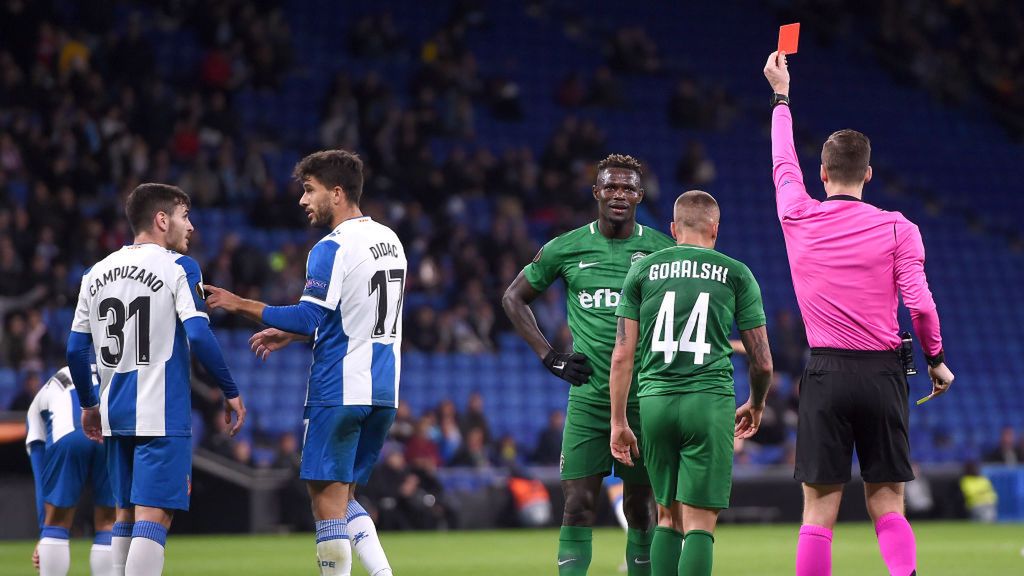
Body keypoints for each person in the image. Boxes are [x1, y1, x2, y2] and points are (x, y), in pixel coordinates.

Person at [764, 51, 955, 576]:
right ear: (868, 173)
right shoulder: (900, 228)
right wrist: (935, 358)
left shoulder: (797, 213)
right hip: (883, 373)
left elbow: (783, 164)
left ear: (822, 173)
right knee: (887, 502)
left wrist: (782, 96)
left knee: (819, 508)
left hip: (825, 372)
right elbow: (920, 304)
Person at [205, 150, 404, 576]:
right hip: (383, 389)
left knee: (325, 501)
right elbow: (353, 314)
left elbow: (309, 314)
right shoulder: (390, 240)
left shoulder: (331, 247)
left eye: (309, 190)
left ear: (336, 192)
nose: (302, 200)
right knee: (345, 497)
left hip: (340, 388)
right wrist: (294, 334)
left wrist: (239, 303)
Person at [502, 154, 674, 575]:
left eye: (627, 188)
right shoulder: (567, 247)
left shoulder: (662, 250)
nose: (619, 194)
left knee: (640, 506)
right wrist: (549, 356)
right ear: (596, 192)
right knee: (577, 506)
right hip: (588, 400)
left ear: (640, 195)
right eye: (610, 187)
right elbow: (513, 298)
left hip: (643, 399)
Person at [66, 183, 246, 576]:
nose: (192, 226)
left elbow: (75, 351)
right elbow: (198, 335)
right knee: (155, 517)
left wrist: (88, 405)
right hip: (161, 412)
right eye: (185, 216)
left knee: (125, 515)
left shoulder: (94, 273)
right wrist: (229, 390)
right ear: (162, 220)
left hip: (115, 413)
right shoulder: (179, 266)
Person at [610, 190, 773, 576]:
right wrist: (757, 402)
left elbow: (621, 355)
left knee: (666, 516)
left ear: (672, 228)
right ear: (715, 229)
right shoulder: (735, 273)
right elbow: (763, 362)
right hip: (708, 401)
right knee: (700, 523)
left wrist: (619, 421)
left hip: (655, 403)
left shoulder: (642, 270)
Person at [26, 366, 116, 576]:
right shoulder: (106, 372)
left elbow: (42, 482)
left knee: (56, 522)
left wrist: (44, 531)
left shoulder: (38, 402)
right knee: (109, 522)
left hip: (68, 432)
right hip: (110, 430)